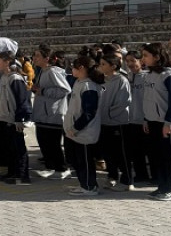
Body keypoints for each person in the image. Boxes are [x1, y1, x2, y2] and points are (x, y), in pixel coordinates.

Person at [141, 42, 171, 201]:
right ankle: (162, 186)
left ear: (157, 57)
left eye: (146, 55)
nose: (143, 59)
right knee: (158, 156)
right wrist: (146, 118)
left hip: (167, 123)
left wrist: (169, 122)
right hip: (153, 121)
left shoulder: (169, 75)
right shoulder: (149, 74)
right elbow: (149, 99)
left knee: (170, 156)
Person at [64, 56, 104, 196]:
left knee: (85, 161)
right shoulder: (79, 83)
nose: (71, 69)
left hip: (84, 132)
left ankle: (89, 186)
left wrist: (75, 128)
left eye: (74, 66)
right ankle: (85, 184)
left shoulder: (89, 86)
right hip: (75, 132)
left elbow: (89, 112)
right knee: (78, 160)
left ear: (81, 68)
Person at [30, 44, 71, 179]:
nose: (34, 58)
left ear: (47, 58)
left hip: (52, 115)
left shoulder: (53, 71)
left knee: (52, 144)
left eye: (37, 56)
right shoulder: (43, 71)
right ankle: (50, 167)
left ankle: (61, 168)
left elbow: (65, 90)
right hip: (42, 114)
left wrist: (43, 91)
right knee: (44, 142)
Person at [0, 51, 32, 185]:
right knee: (9, 148)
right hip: (5, 118)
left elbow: (22, 100)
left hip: (13, 120)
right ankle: (12, 172)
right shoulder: (4, 77)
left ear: (7, 62)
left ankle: (22, 176)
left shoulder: (15, 79)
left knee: (18, 148)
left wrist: (20, 119)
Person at [98, 53, 132, 191]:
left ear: (113, 66)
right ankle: (112, 177)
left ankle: (127, 180)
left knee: (121, 153)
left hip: (118, 122)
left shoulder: (121, 80)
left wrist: (109, 113)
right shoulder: (101, 80)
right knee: (107, 152)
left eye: (103, 64)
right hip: (103, 122)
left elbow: (124, 101)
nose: (101, 67)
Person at [124, 51, 151, 184]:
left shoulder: (147, 77)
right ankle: (141, 175)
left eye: (133, 60)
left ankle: (156, 176)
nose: (130, 64)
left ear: (141, 61)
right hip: (132, 119)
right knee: (136, 151)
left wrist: (146, 118)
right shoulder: (128, 77)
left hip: (145, 119)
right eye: (127, 61)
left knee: (149, 150)